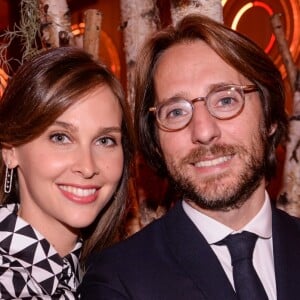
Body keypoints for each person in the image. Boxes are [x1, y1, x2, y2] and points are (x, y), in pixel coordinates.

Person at [79, 14, 300, 300]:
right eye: (176, 111)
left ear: (269, 116)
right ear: (156, 141)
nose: (204, 132)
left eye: (226, 100)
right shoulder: (118, 281)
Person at [0, 46, 134, 299]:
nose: (87, 167)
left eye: (105, 140)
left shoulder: (106, 274)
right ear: (11, 151)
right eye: (60, 137)